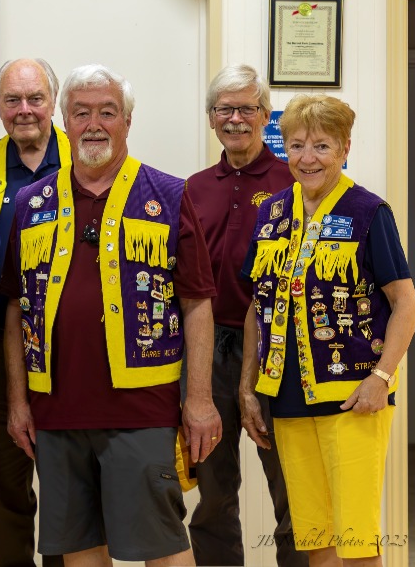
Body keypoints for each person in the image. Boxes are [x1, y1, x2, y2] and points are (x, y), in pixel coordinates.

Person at [2, 64, 222, 566]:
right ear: (65, 121)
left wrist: (201, 400)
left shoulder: (168, 194)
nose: (94, 124)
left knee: (161, 547)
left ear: (127, 121)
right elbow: (15, 307)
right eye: (81, 113)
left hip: (142, 411)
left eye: (108, 112)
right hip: (56, 413)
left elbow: (196, 302)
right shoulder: (31, 201)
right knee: (79, 553)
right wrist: (18, 402)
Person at [240, 94, 415, 566]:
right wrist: (248, 388)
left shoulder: (368, 212)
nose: (306, 158)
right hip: (287, 396)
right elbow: (258, 307)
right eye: (296, 145)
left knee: (356, 539)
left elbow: (406, 304)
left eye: (321, 146)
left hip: (353, 398)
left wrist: (380, 379)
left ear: (345, 149)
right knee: (313, 536)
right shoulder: (272, 214)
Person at [185, 65, 305, 566]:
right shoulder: (190, 188)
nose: (236, 119)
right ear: (212, 117)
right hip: (208, 350)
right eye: (224, 109)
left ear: (265, 116)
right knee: (213, 489)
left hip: (279, 352)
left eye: (247, 109)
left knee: (293, 488)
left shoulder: (294, 180)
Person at [0, 58, 68, 567]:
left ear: (54, 101)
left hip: (73, 350)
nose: (24, 111)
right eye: (12, 100)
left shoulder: (87, 156)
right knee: (4, 487)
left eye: (35, 98)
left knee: (71, 490)